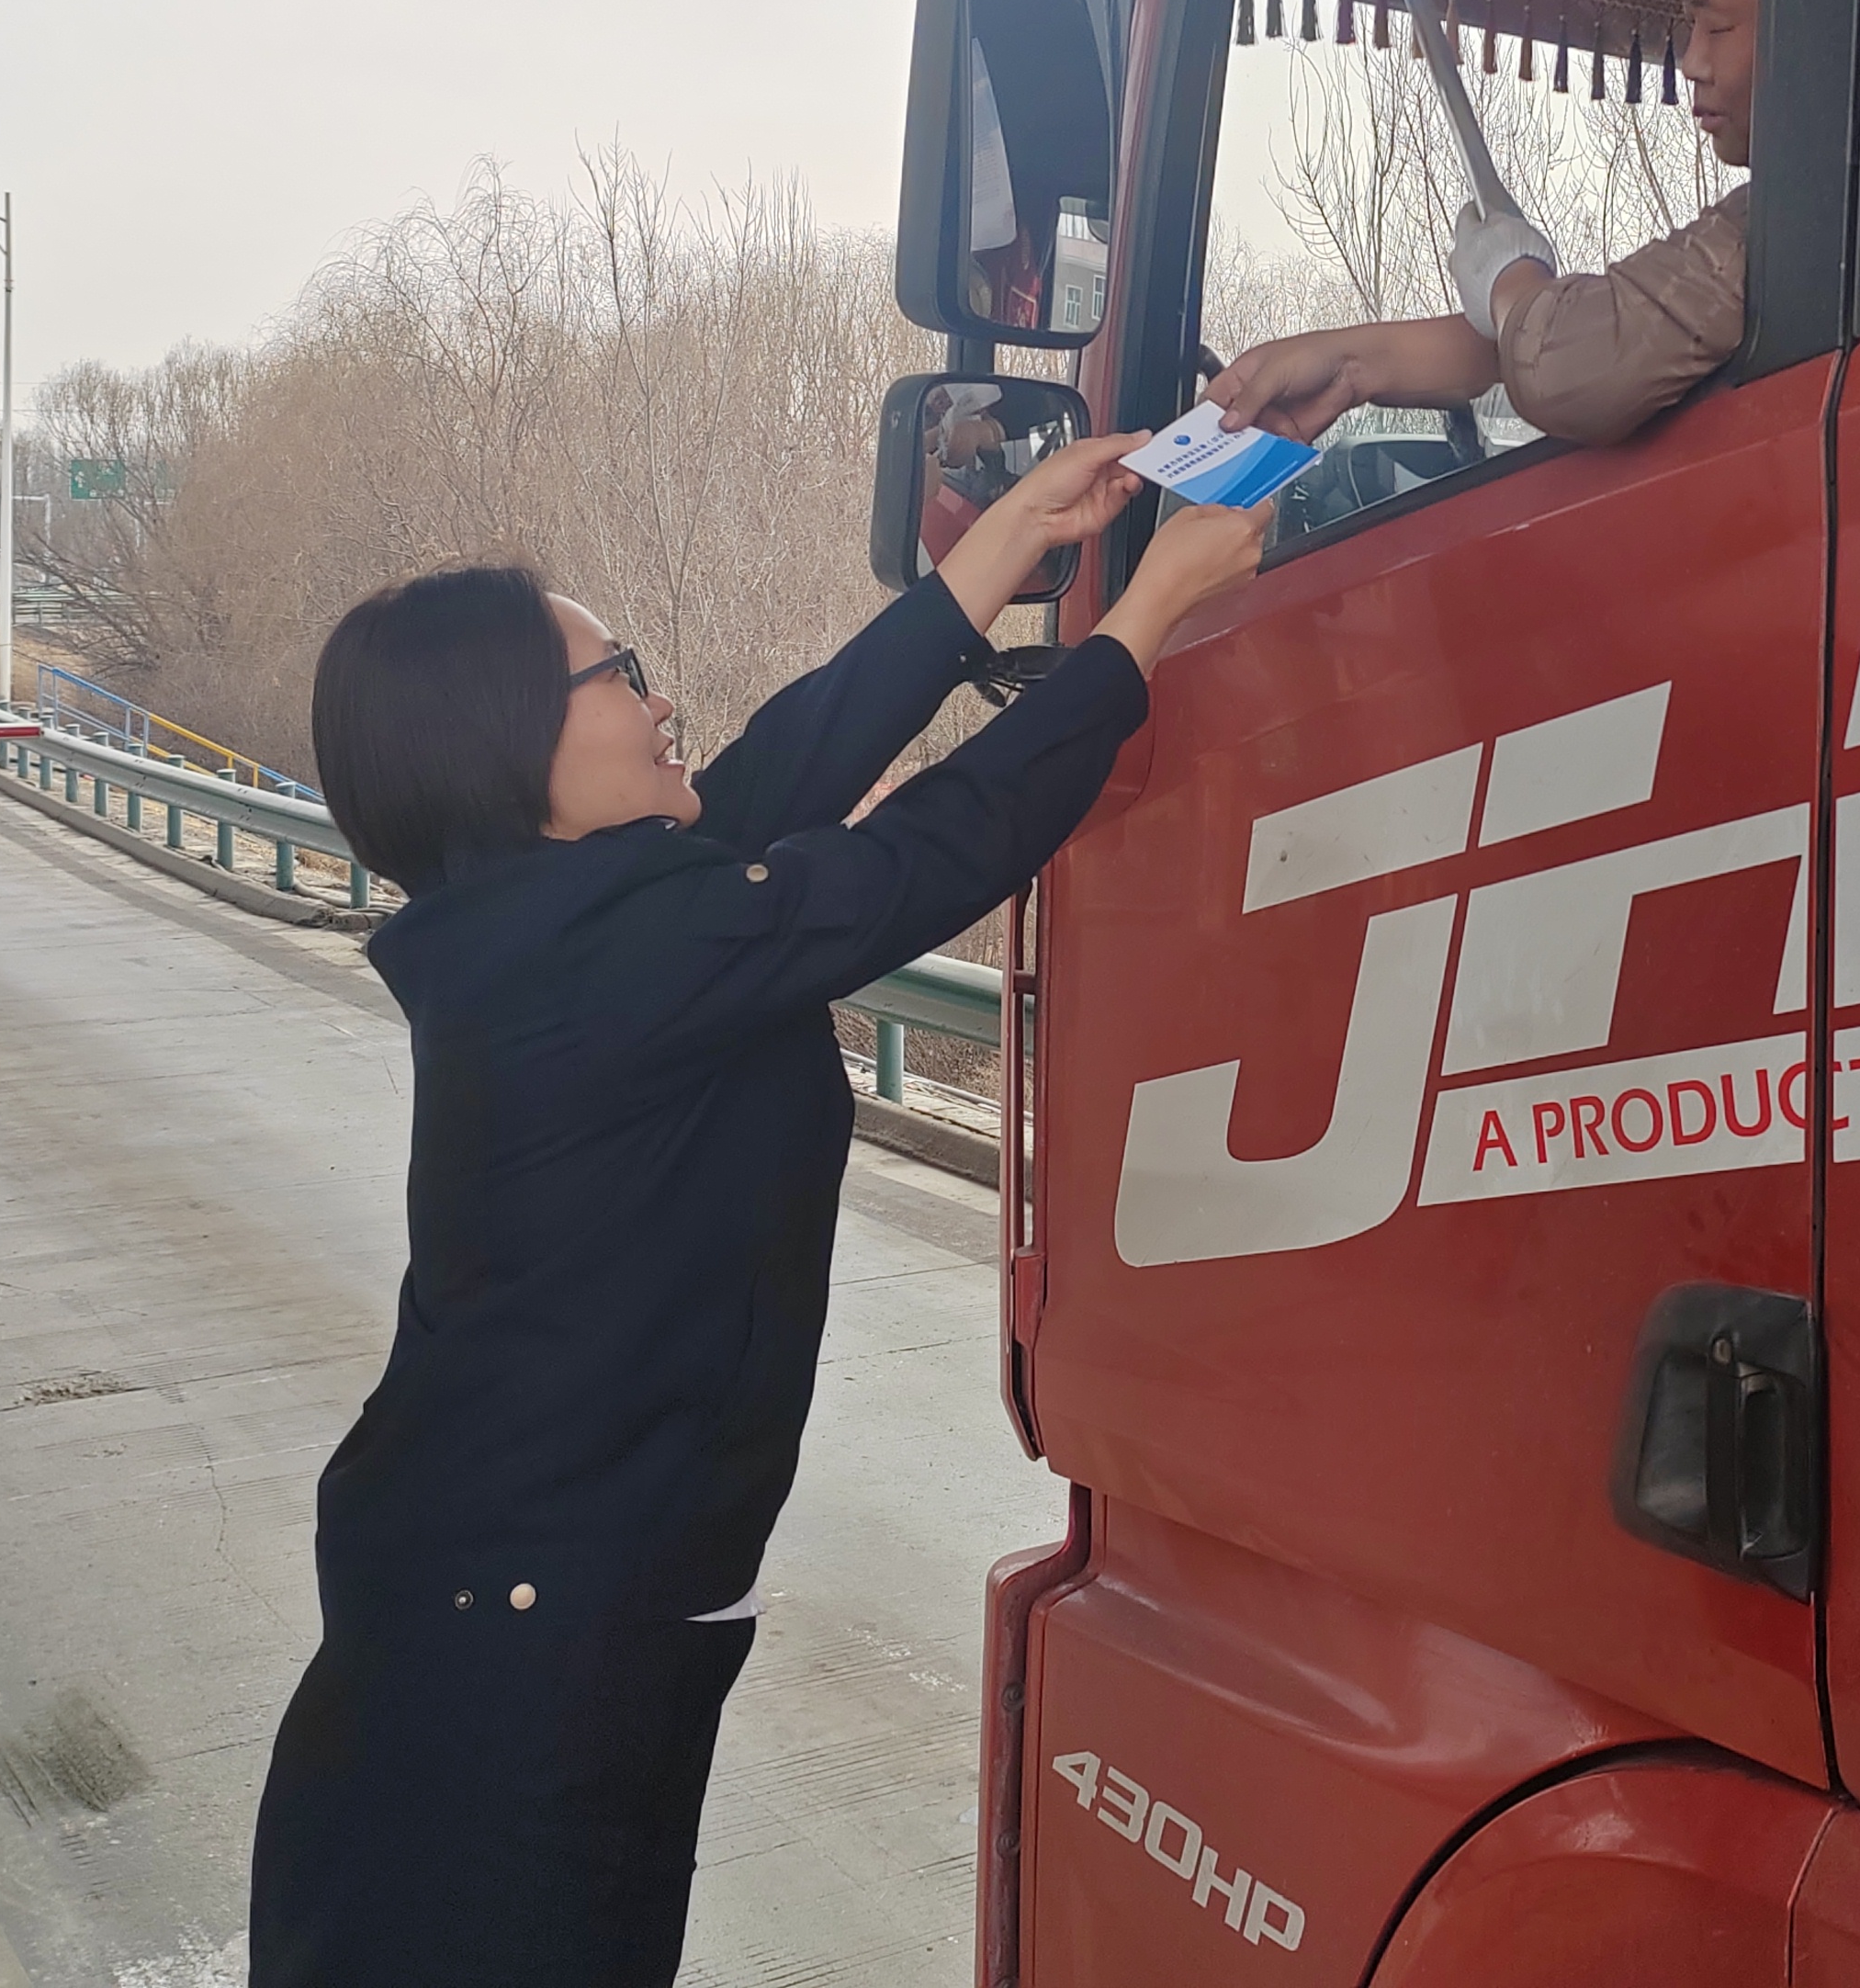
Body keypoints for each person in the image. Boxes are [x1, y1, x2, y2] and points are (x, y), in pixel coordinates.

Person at [250, 441, 1263, 1988]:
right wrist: (1141, 628)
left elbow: (796, 751)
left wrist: (1003, 544)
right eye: (619, 676)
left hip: (518, 1595)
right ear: (509, 743)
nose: (660, 702)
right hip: (523, 1638)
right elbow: (934, 848)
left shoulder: (552, 920)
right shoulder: (607, 961)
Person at [1210, 0, 1760, 452]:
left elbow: (1568, 365)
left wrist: (1506, 271)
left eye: (1719, 27)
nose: (1692, 62)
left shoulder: (1787, 221)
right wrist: (1352, 363)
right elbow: (1620, 330)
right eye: (1689, 27)